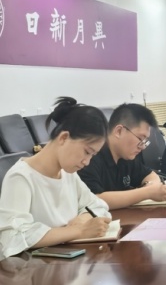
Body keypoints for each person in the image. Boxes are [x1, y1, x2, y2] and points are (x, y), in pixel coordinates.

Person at [0, 97, 111, 260]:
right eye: (87, 152)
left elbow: (98, 206)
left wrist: (83, 219)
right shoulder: (21, 177)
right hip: (32, 270)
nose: (87, 162)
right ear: (64, 138)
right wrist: (78, 231)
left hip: (67, 265)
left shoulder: (68, 174)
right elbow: (14, 238)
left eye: (92, 155)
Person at [78, 103, 166, 209]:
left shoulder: (126, 155)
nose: (143, 147)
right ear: (119, 131)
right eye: (140, 138)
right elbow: (94, 200)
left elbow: (150, 174)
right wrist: (147, 192)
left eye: (145, 141)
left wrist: (151, 185)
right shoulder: (90, 156)